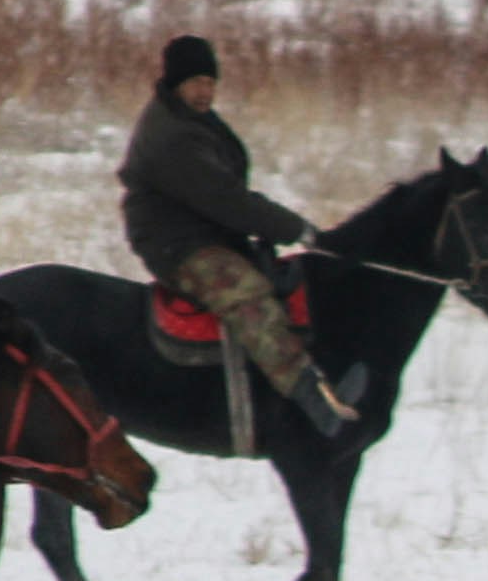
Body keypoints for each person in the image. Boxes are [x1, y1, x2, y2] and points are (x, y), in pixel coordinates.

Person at [117, 33, 357, 436]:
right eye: (195, 82)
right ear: (176, 83)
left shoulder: (189, 119)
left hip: (203, 229)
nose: (204, 91)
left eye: (210, 83)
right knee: (246, 294)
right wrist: (296, 229)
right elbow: (226, 198)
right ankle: (311, 398)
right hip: (178, 243)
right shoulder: (172, 134)